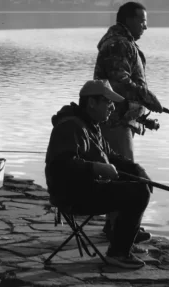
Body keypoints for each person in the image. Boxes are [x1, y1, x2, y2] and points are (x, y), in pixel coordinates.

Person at [45, 79, 153, 270]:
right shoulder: (70, 127)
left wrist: (137, 169)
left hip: (86, 187)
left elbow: (111, 156)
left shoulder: (92, 125)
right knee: (138, 193)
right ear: (92, 103)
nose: (112, 107)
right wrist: (96, 168)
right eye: (108, 102)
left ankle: (123, 242)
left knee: (137, 183)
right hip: (71, 194)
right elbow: (61, 167)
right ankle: (119, 252)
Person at [94, 1, 163, 238]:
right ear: (129, 20)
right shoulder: (118, 45)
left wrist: (143, 118)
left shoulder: (123, 43)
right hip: (114, 122)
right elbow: (119, 83)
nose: (145, 26)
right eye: (142, 21)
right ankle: (119, 229)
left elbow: (124, 89)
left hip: (121, 120)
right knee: (125, 176)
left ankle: (115, 224)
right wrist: (148, 97)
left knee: (121, 174)